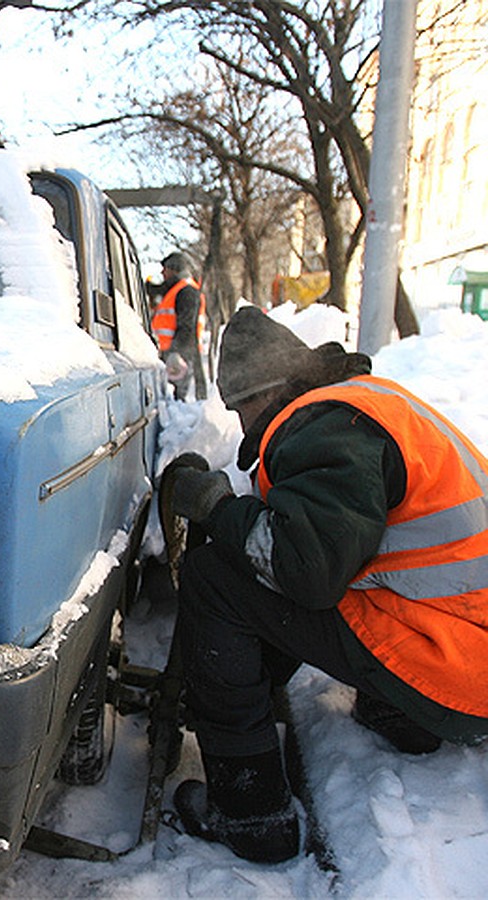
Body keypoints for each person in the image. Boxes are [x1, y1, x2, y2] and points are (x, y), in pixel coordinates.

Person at [163, 307, 488, 863]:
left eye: (242, 408)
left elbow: (302, 572)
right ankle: (399, 713)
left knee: (214, 578)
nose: (242, 425)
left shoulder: (323, 428)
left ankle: (251, 816)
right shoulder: (370, 404)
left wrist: (218, 508)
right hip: (462, 640)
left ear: (269, 391)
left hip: (453, 668)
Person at [146, 252, 207, 400]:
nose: (162, 272)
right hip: (173, 354)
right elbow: (157, 290)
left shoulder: (187, 292)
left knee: (178, 402)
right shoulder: (176, 289)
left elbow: (187, 327)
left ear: (176, 269)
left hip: (181, 356)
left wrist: (177, 354)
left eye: (165, 268)